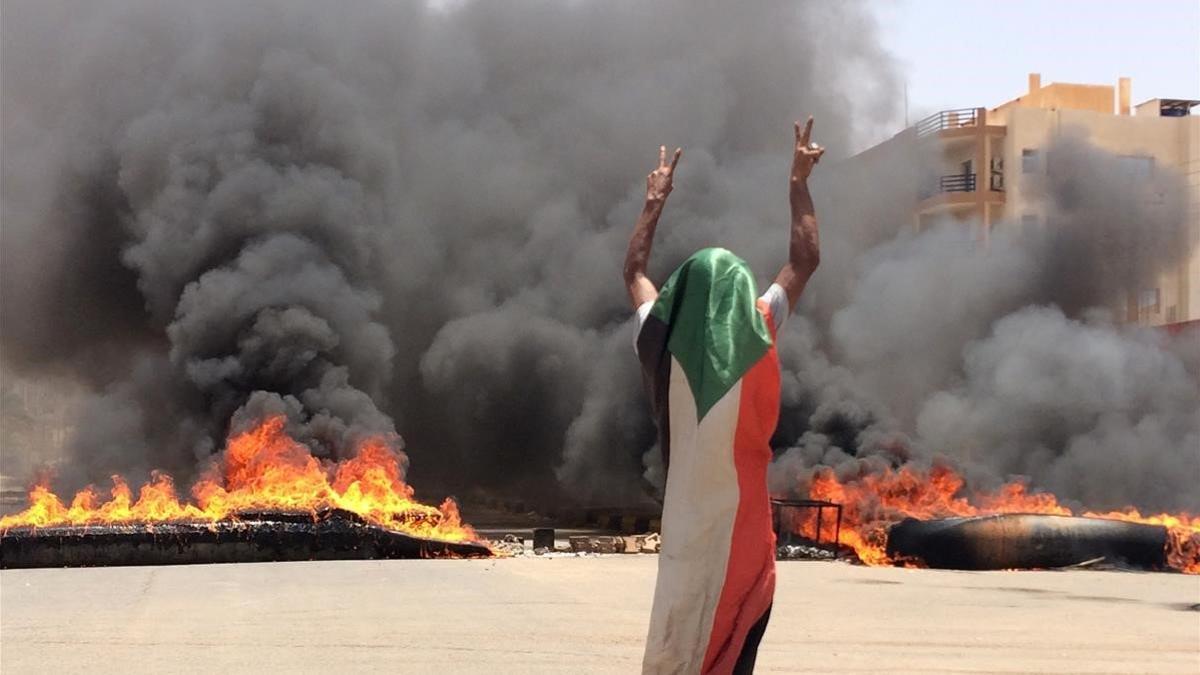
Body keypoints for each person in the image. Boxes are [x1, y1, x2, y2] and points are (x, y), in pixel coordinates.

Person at [624, 118, 824, 674]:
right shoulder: (759, 326)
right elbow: (804, 260)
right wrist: (797, 183)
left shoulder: (657, 340)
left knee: (678, 651)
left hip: (687, 540)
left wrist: (653, 203)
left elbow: (635, 272)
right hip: (748, 545)